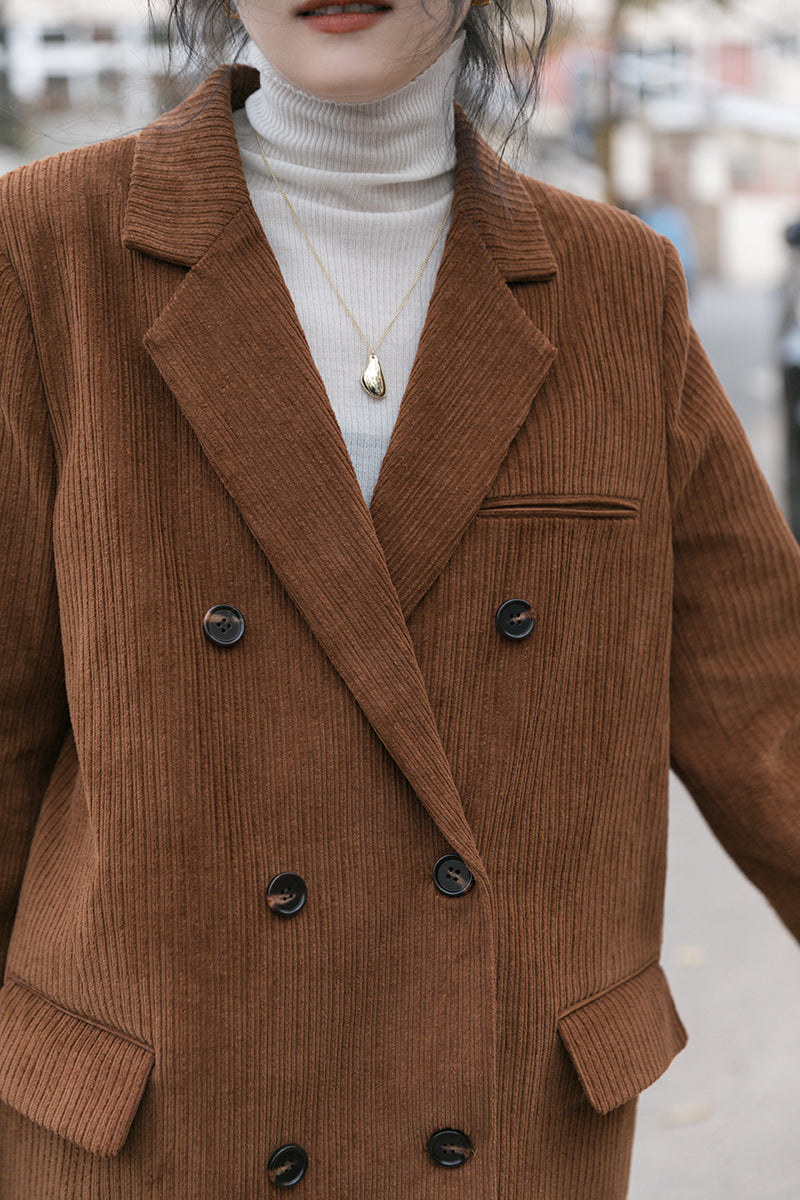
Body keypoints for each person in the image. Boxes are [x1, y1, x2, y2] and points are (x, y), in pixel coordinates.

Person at [0, 1, 798, 1197]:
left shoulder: (616, 290)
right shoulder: (46, 250)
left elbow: (769, 712)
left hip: (497, 1116)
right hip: (160, 1130)